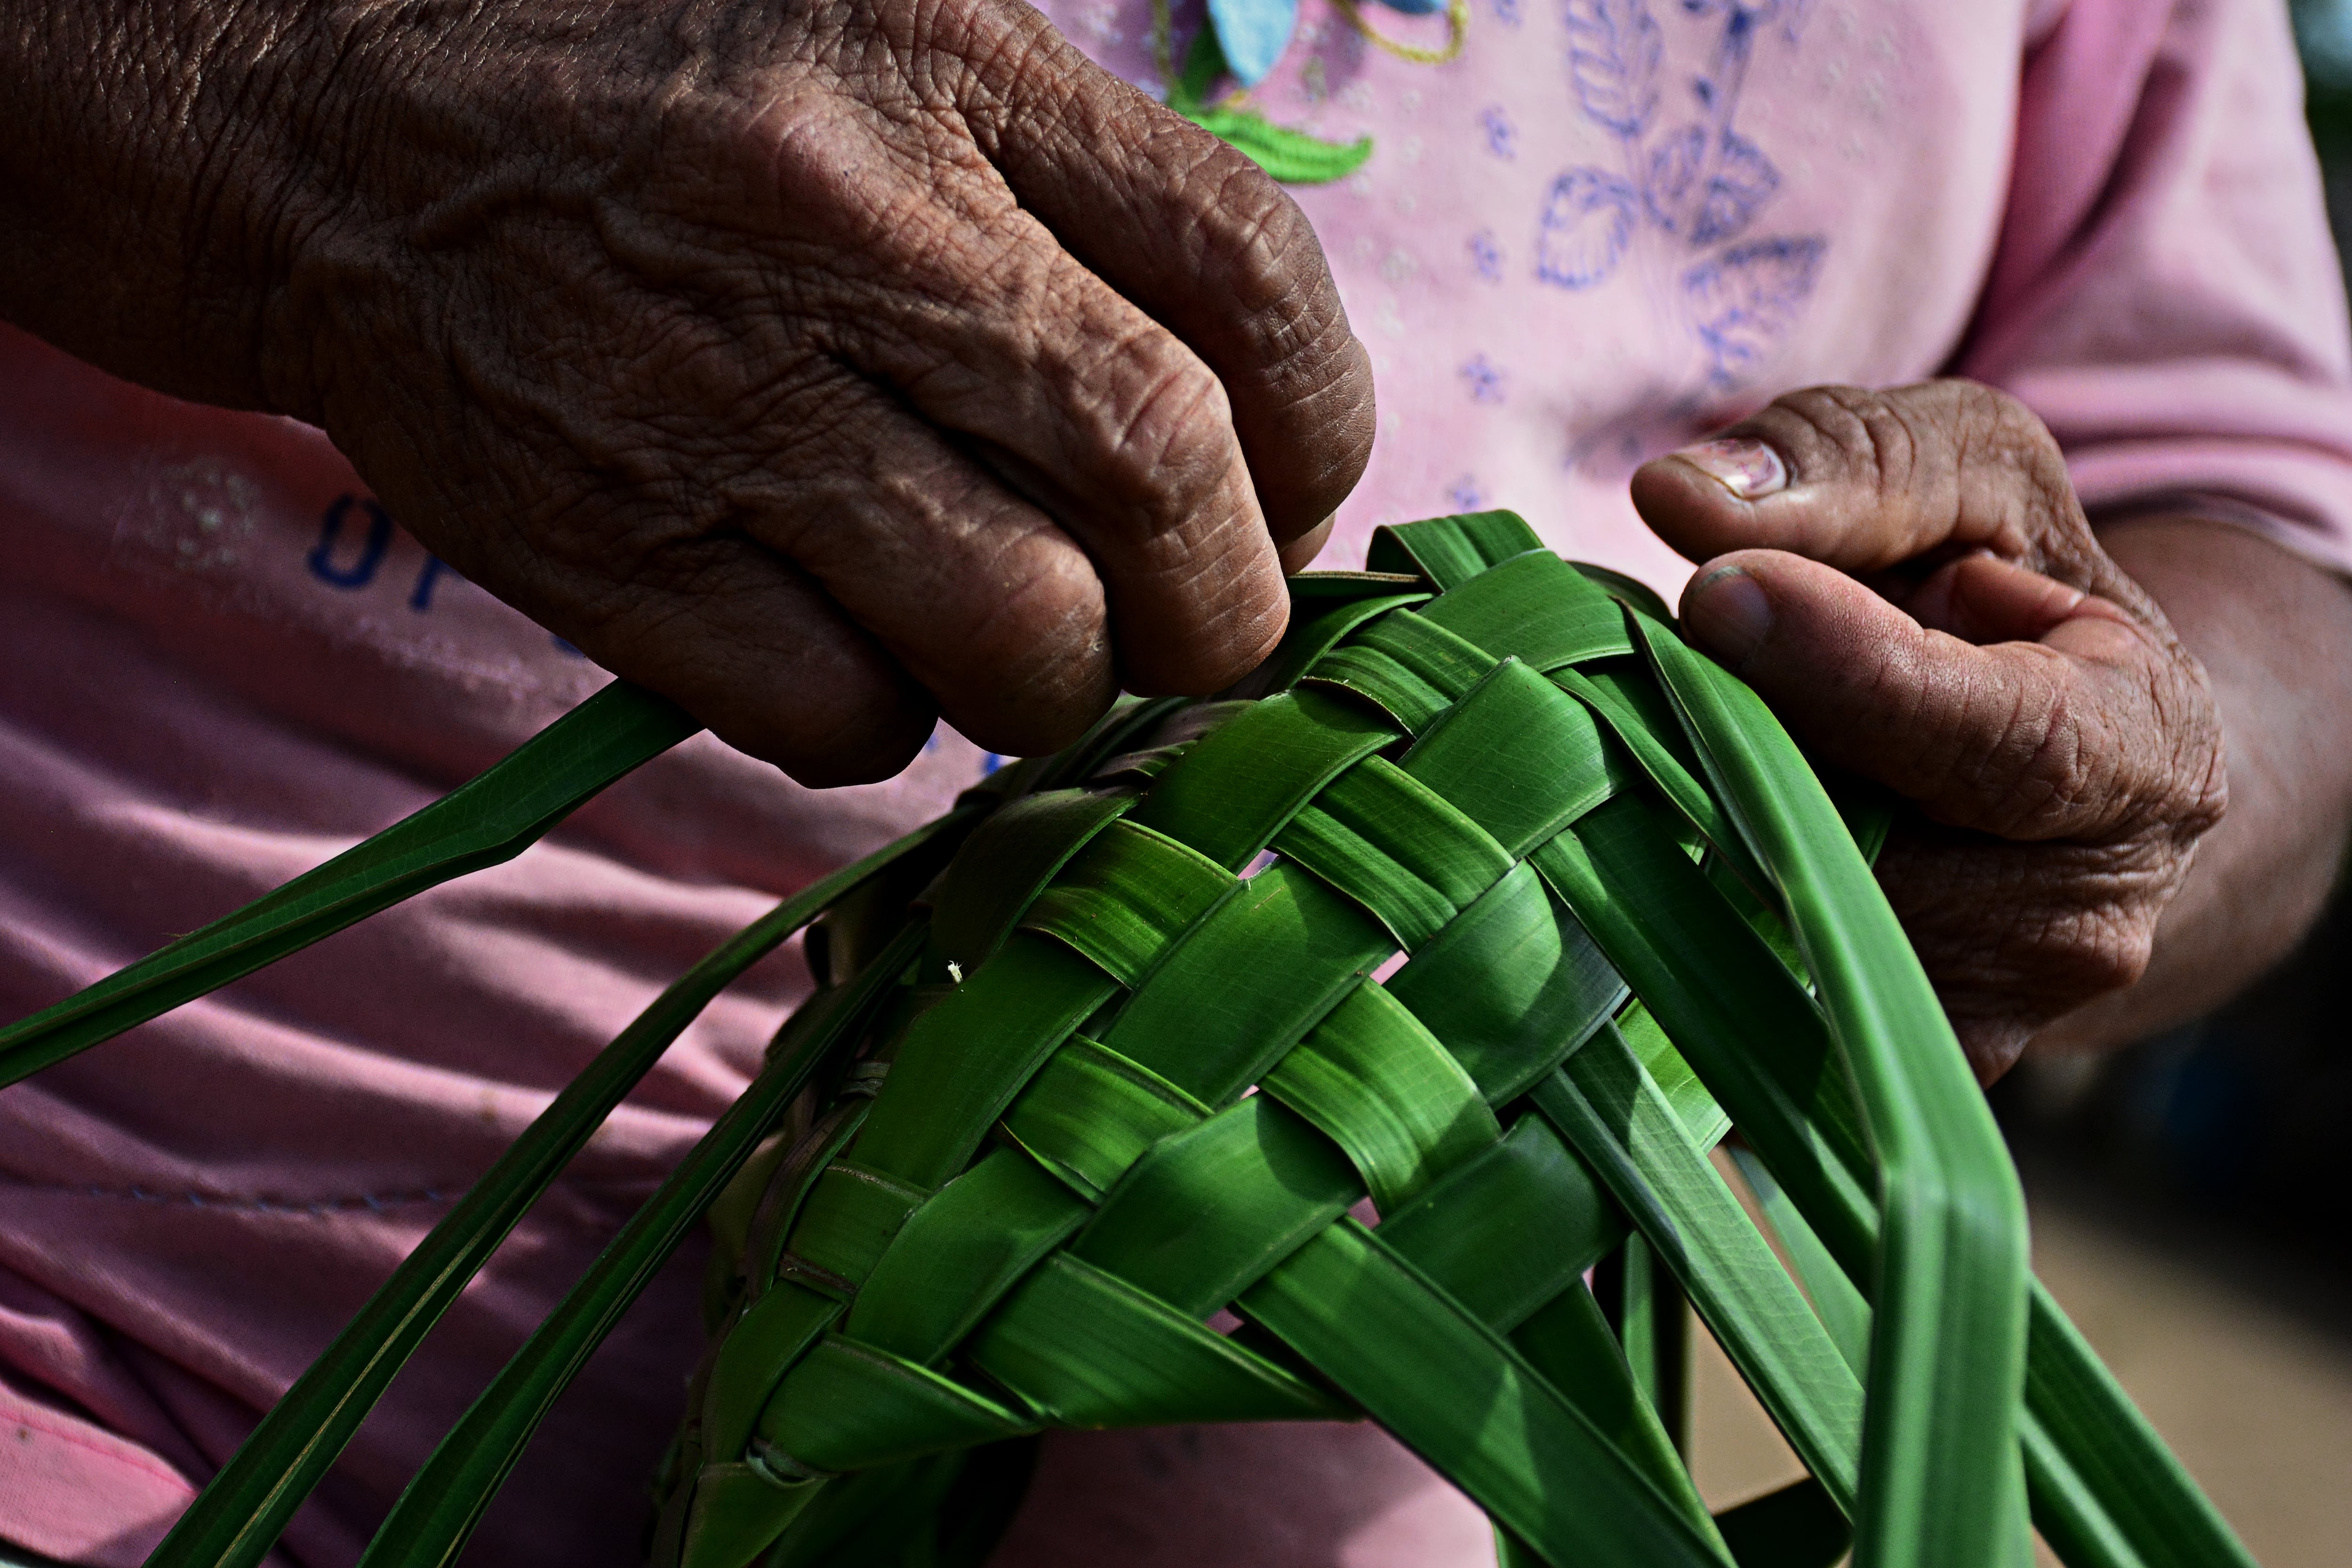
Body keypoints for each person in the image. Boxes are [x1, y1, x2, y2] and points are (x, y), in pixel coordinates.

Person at [1, 0, 2349, 1562]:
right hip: (91, 1287)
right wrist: (277, 105)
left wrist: (2113, 755)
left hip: (1323, 1416)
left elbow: (2262, 554)